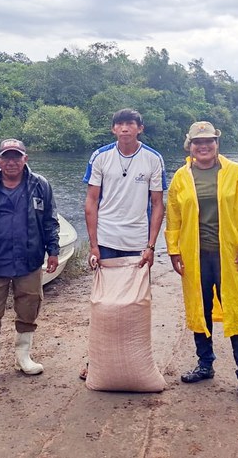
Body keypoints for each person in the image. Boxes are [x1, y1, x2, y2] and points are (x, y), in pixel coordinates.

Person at [165, 121, 238, 406]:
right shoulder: (181, 177)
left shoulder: (235, 172)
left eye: (208, 140)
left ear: (217, 143)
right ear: (190, 146)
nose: (203, 146)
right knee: (200, 311)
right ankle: (205, 364)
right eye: (198, 142)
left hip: (231, 257)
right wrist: (174, 251)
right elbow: (173, 217)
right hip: (196, 257)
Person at [0, 138, 60, 386]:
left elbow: (50, 221)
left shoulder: (41, 185)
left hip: (28, 261)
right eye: (6, 157)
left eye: (16, 157)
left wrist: (53, 251)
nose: (11, 162)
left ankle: (23, 357)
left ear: (25, 159)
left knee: (29, 308)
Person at [81, 108, 167, 379]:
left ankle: (136, 360)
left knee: (135, 303)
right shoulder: (100, 156)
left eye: (131, 124)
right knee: (103, 304)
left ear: (140, 128)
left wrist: (151, 246)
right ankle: (96, 361)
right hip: (106, 240)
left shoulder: (153, 159)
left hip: (137, 242)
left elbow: (157, 205)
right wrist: (93, 245)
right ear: (113, 129)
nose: (125, 128)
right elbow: (91, 202)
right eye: (120, 124)